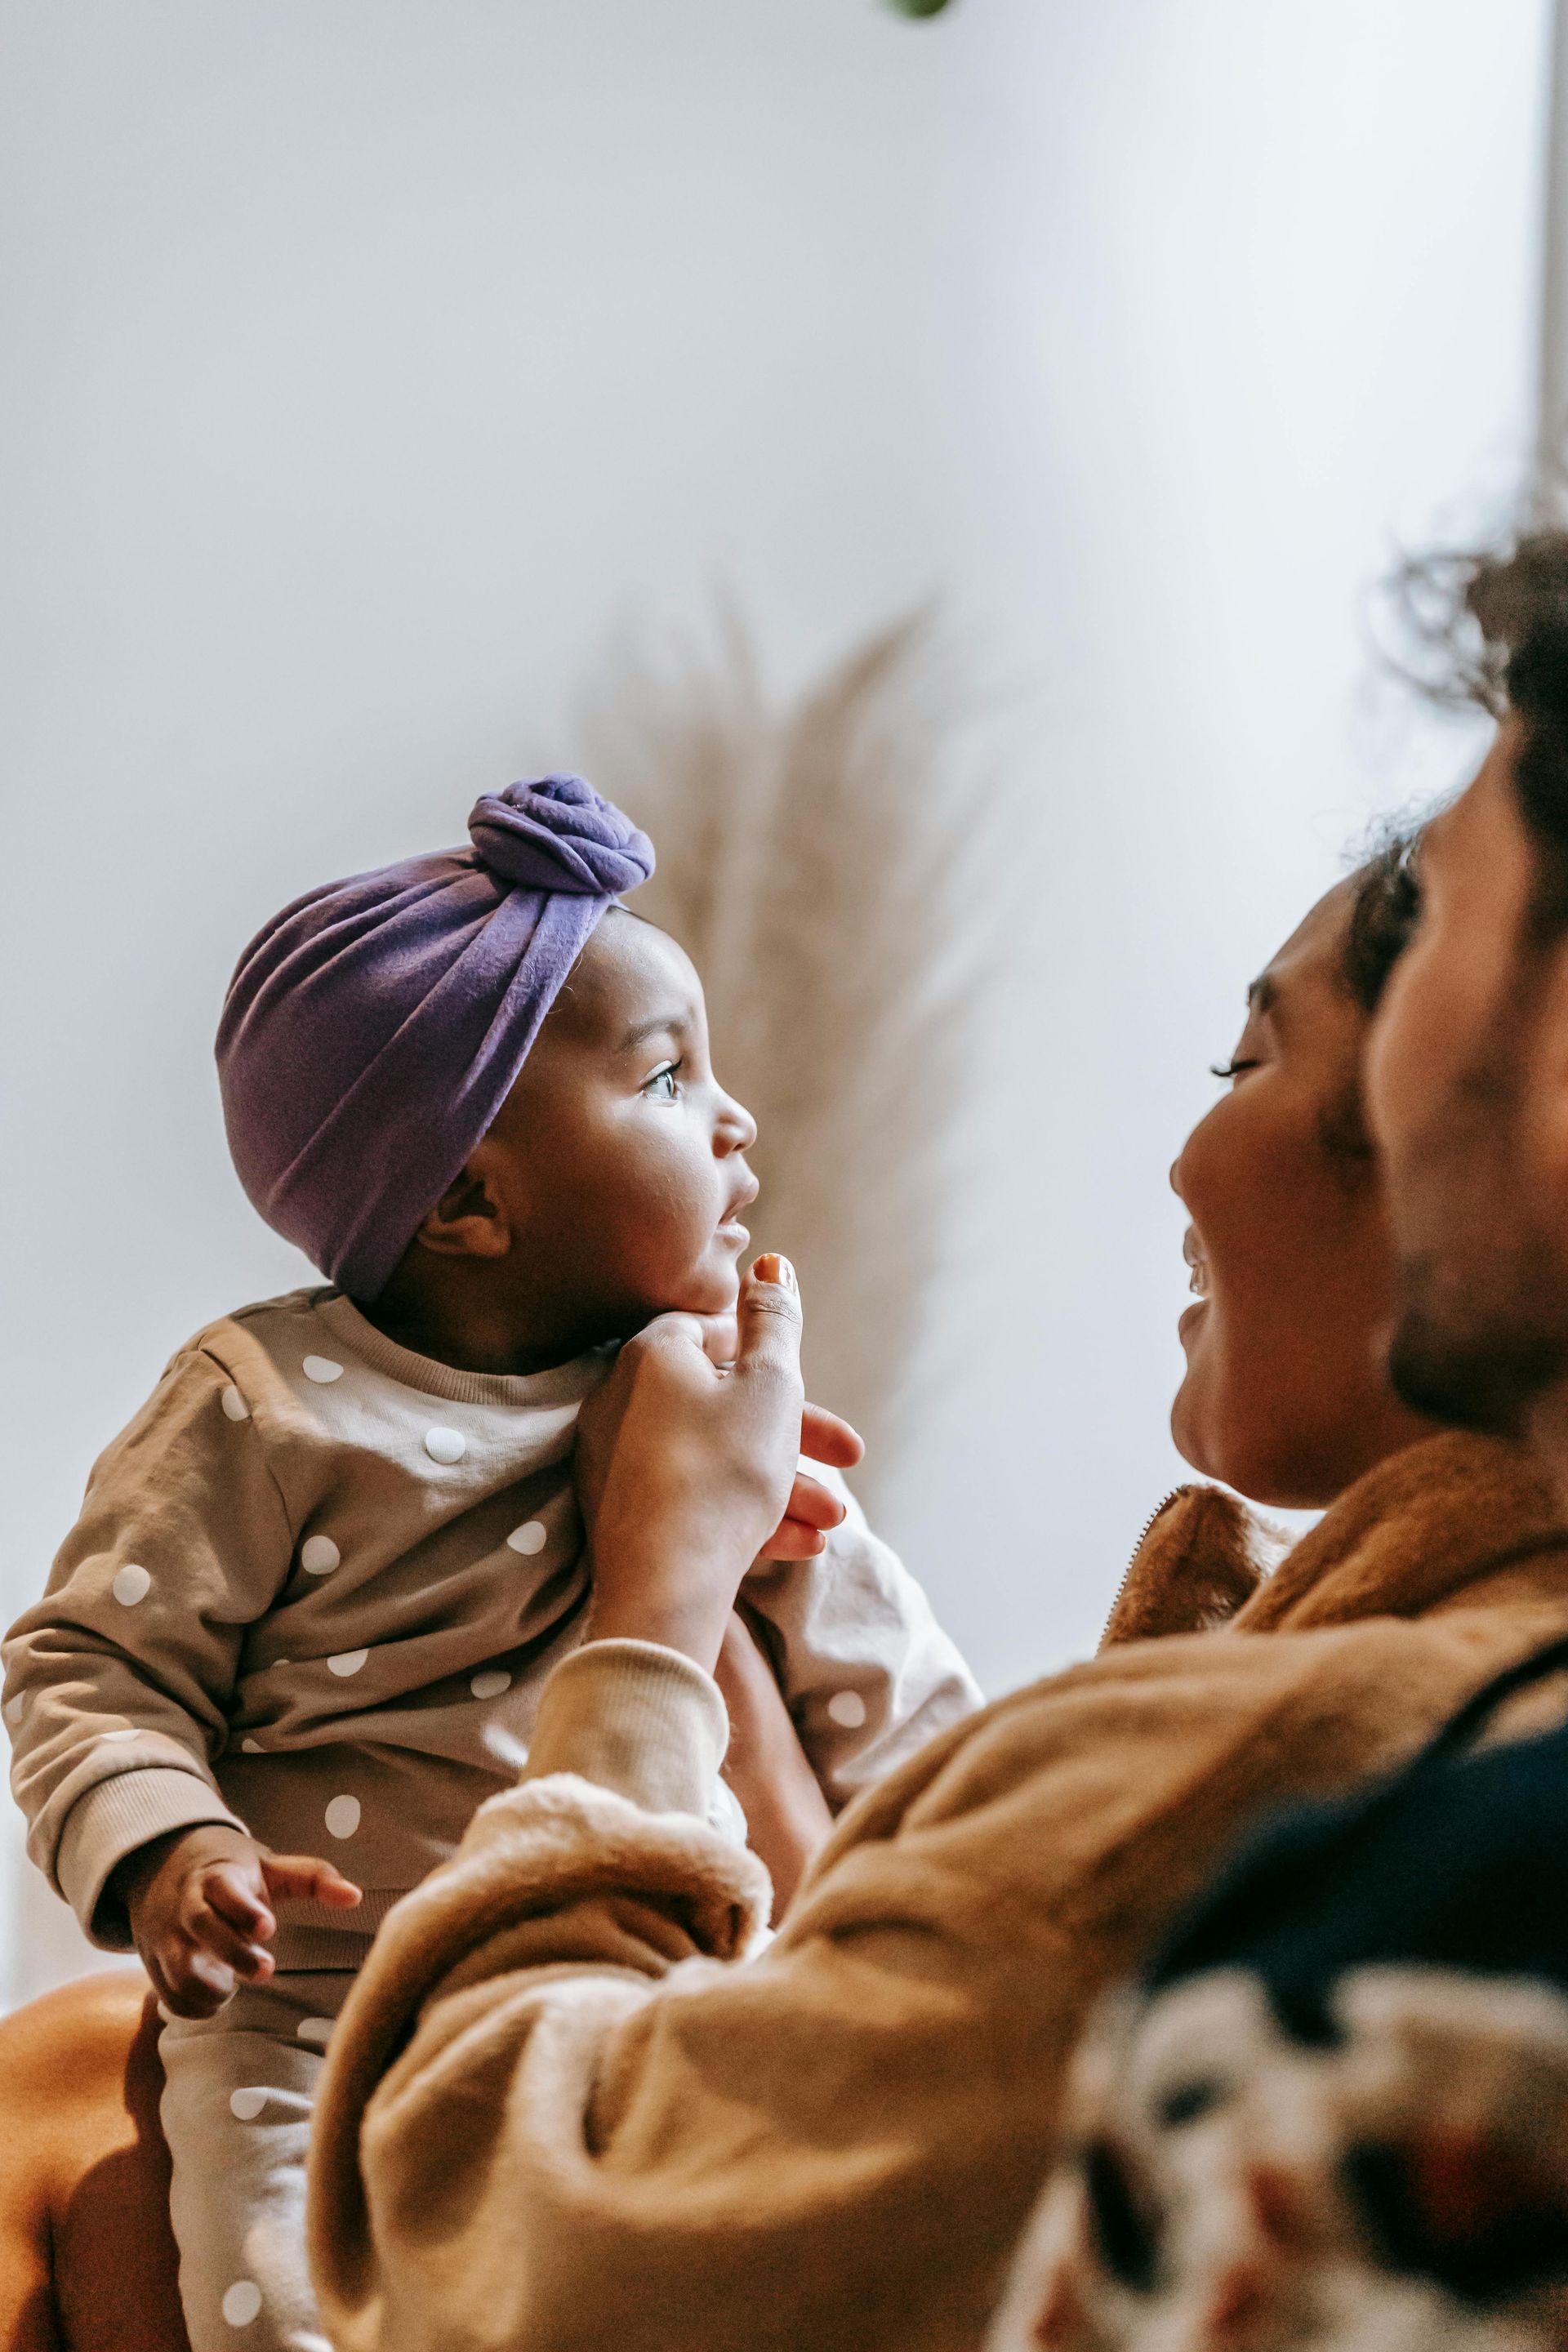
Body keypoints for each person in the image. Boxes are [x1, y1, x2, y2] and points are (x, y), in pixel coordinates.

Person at [300, 570, 1568, 2352]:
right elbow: (909, 2058)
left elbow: (479, 2233)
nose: (1189, 1151)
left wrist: (651, 1625)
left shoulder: (1249, 1797)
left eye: (1254, 1050)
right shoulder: (1384, 1731)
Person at [0, 773, 978, 2352]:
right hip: (312, 2015)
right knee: (277, 2293)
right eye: (668, 1080)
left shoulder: (709, 1398)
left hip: (651, 1979)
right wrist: (167, 1850)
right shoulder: (267, 1409)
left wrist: (982, 1875)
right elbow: (89, 1665)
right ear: (466, 1200)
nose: (737, 1120)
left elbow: (903, 1711)